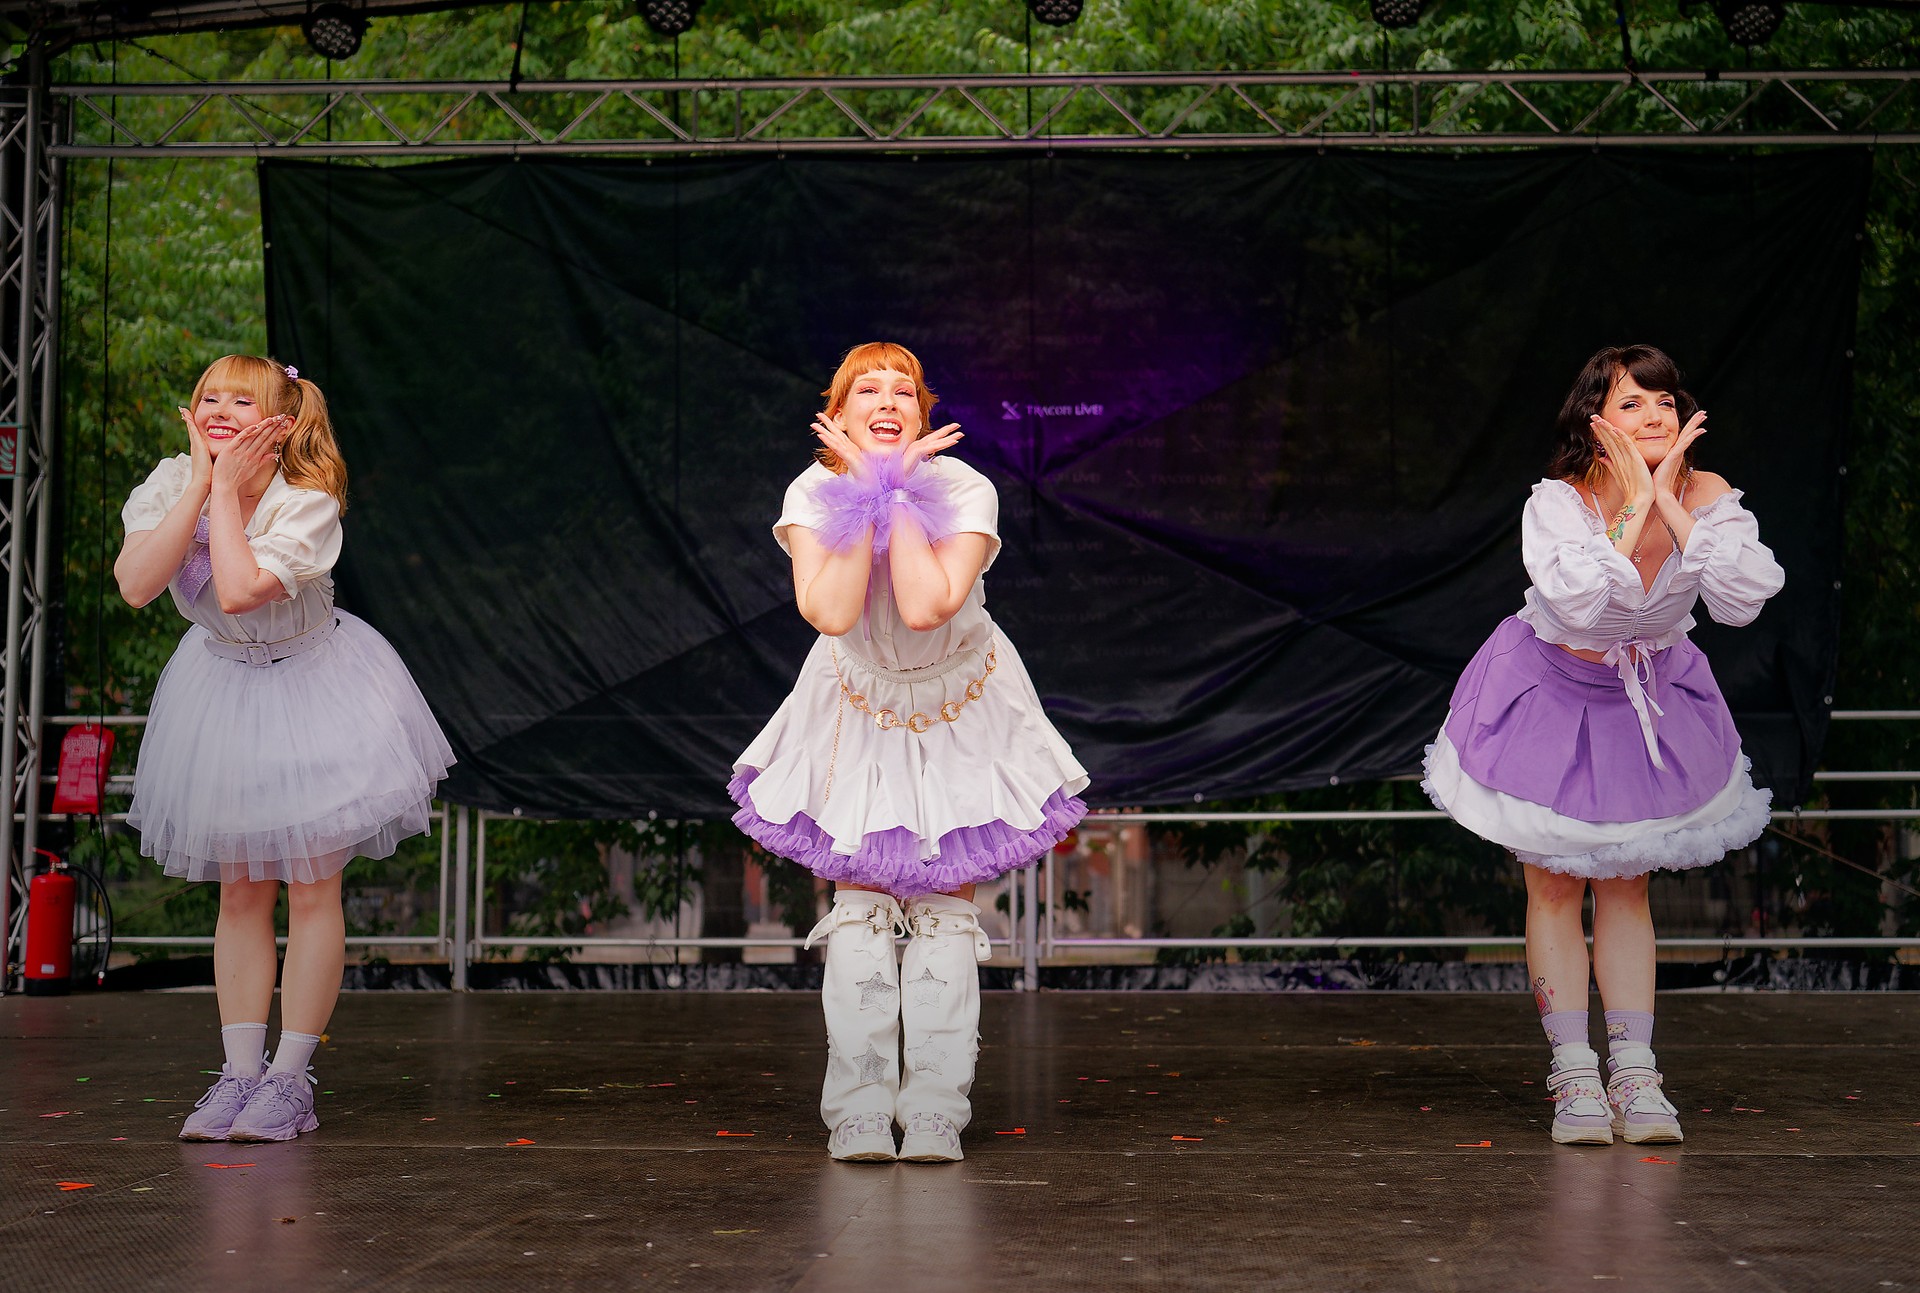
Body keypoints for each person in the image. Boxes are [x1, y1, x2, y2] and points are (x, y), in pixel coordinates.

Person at [730, 342, 1088, 1163]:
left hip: (960, 701)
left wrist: (895, 492)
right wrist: (865, 491)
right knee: (859, 901)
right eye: (867, 389)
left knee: (942, 903)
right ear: (838, 413)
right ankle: (858, 1109)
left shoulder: (965, 489)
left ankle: (934, 1109)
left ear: (924, 415)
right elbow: (831, 610)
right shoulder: (812, 491)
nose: (887, 400)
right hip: (858, 701)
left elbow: (927, 605)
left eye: (904, 389)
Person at [1423, 344, 1784, 1147]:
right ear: (1596, 421)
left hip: (1645, 698)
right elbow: (1580, 604)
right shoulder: (1559, 502)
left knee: (1626, 888)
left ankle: (1637, 1073)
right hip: (1549, 693)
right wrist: (1634, 503)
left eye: (1664, 401)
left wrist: (1671, 502)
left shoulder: (1708, 493)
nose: (1654, 415)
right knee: (1554, 887)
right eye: (1632, 403)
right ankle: (1575, 1076)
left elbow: (1742, 600)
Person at [116, 354, 453, 1142]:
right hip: (222, 687)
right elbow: (136, 584)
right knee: (239, 891)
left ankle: (290, 1080)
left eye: (242, 400)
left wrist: (227, 493)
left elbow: (238, 589)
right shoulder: (172, 481)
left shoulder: (306, 499)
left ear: (282, 419)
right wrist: (202, 485)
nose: (218, 409)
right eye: (208, 397)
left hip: (313, 688)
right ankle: (239, 1073)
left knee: (309, 886)